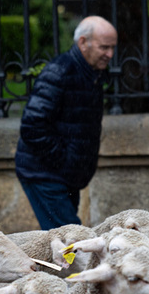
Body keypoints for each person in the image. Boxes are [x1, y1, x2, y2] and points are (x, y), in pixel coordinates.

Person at [14, 15, 117, 230]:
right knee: (71, 241)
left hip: (65, 176)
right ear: (83, 43)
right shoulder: (60, 72)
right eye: (104, 47)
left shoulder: (91, 73)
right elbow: (32, 126)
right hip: (45, 175)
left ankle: (53, 264)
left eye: (112, 48)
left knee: (65, 241)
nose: (110, 54)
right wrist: (66, 161)